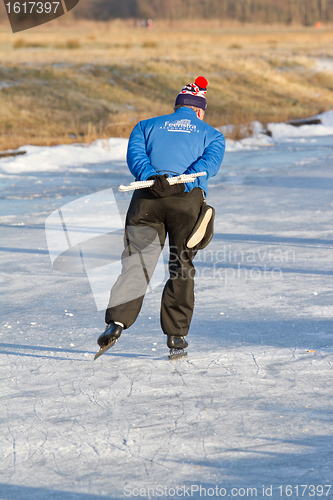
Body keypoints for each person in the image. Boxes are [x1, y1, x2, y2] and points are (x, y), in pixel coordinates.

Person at [97, 76, 225, 353]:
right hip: (186, 203)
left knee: (136, 263)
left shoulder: (144, 126)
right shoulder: (212, 134)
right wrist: (183, 180)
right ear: (199, 110)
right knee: (181, 266)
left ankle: (116, 322)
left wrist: (153, 177)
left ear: (177, 105)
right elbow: (208, 166)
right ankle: (176, 335)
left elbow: (136, 157)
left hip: (147, 198)